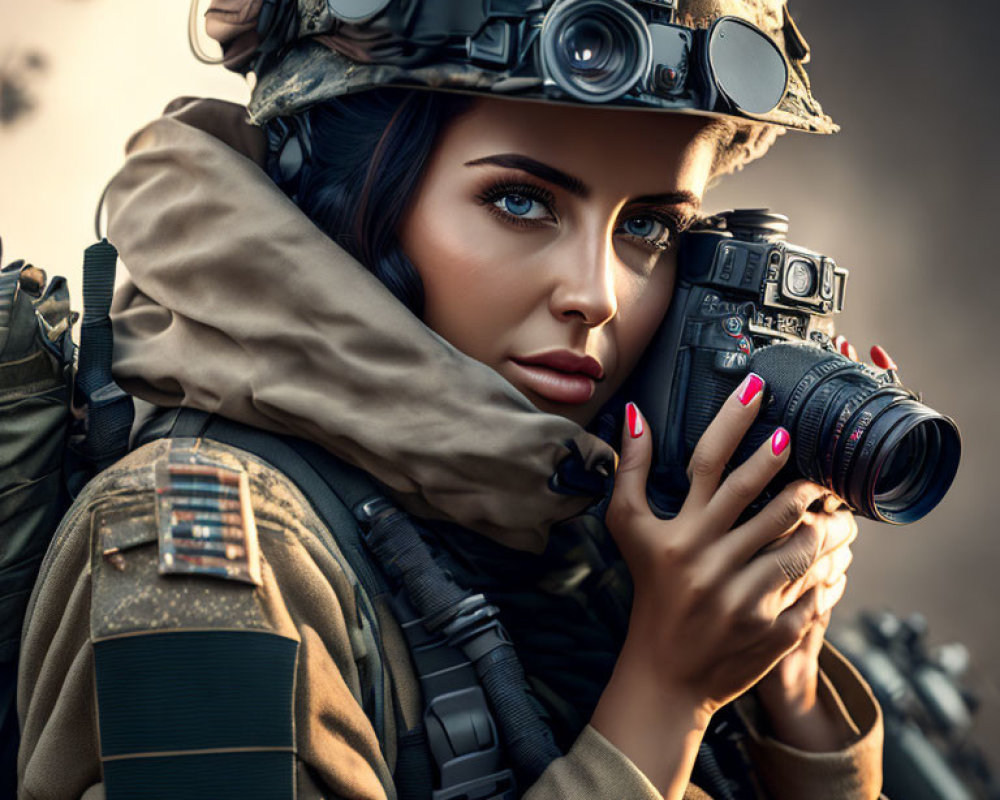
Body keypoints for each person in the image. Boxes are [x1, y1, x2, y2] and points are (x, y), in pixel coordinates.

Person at [16, 1, 886, 798]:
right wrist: (665, 696)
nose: (600, 295)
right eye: (520, 201)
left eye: (647, 226)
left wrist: (784, 676)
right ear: (347, 204)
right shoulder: (203, 552)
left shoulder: (585, 509)